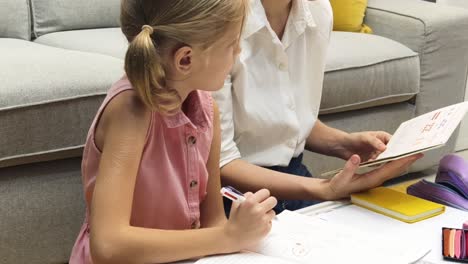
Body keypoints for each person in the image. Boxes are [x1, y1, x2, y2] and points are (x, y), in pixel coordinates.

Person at [69, 0, 278, 263]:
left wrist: (238, 229)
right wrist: (229, 236)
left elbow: (213, 219)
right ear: (185, 59)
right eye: (231, 44)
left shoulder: (207, 109)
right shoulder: (131, 111)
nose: (238, 51)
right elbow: (109, 245)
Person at [214, 0, 423, 213]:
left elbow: (292, 115)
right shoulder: (218, 20)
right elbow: (220, 161)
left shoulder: (317, 12)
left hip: (295, 176)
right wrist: (326, 189)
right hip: (238, 196)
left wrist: (344, 144)